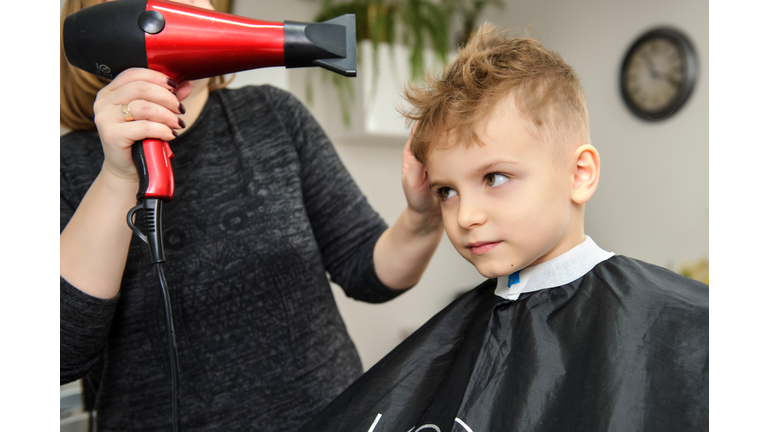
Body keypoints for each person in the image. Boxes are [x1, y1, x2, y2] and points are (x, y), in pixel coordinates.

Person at [59, 0, 444, 431]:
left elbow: (366, 270)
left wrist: (423, 218)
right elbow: (60, 355)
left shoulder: (274, 117)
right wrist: (116, 176)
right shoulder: (62, 168)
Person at [302, 24, 709, 432]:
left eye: (494, 178)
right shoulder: (460, 332)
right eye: (447, 191)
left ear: (580, 174)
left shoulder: (689, 329)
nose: (465, 217)